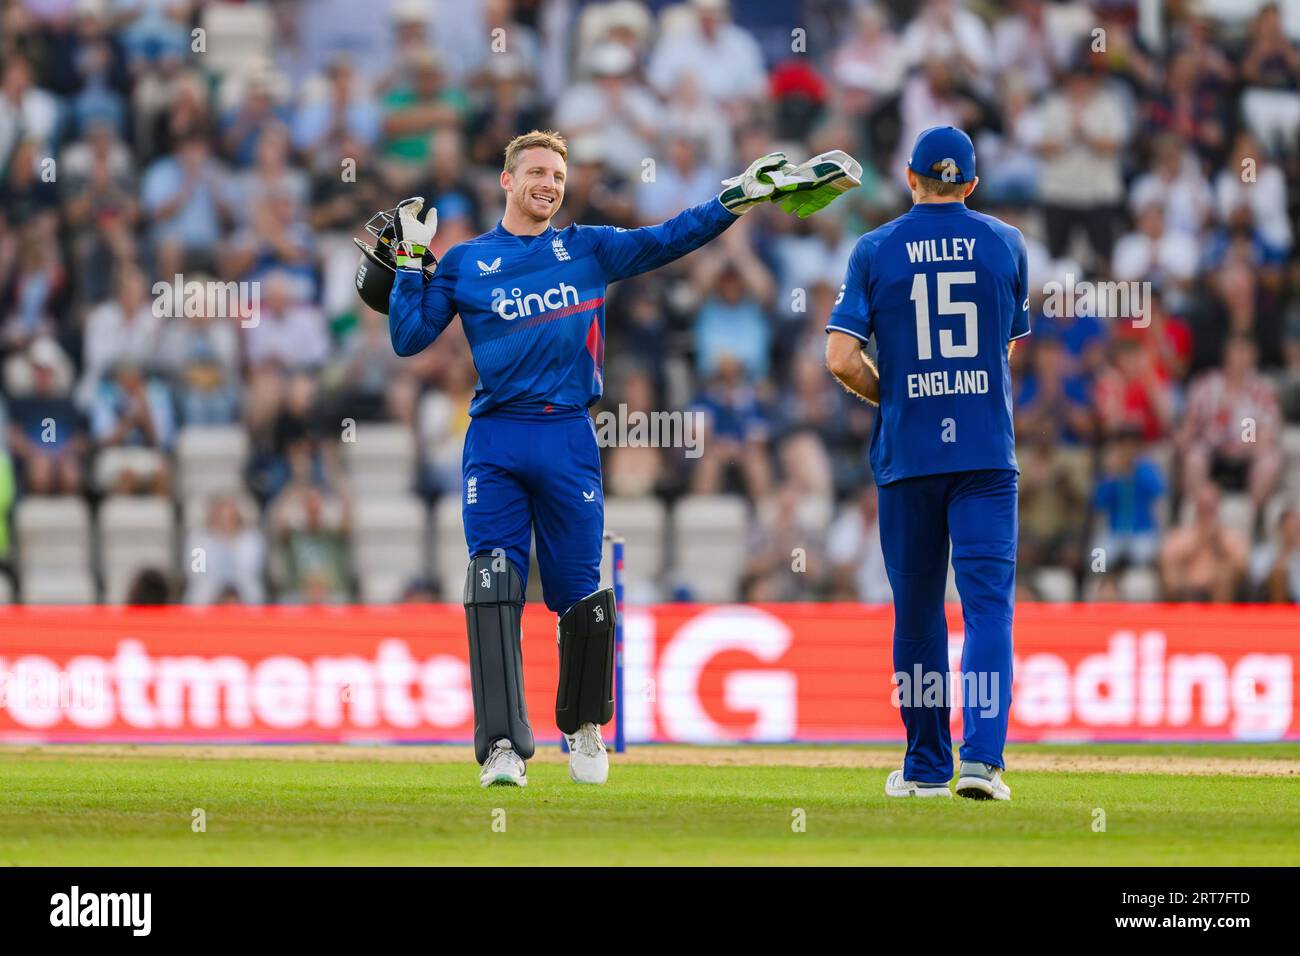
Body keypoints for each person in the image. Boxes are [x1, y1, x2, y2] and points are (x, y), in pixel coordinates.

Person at [384, 130, 854, 788]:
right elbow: (408, 337)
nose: (549, 183)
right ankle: (502, 748)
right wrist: (410, 256)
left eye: (558, 173)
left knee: (580, 593)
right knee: (493, 581)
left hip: (569, 437)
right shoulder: (464, 262)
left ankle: (581, 727)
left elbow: (671, 237)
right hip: (494, 438)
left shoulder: (586, 248)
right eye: (537, 172)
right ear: (507, 181)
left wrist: (739, 197)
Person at [824, 126, 1027, 801]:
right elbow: (1004, 347)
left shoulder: (875, 248)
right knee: (988, 607)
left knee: (917, 613)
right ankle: (982, 762)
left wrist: (901, 394)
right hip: (983, 453)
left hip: (910, 454)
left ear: (910, 178)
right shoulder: (1005, 243)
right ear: (970, 183)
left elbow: (839, 358)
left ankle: (926, 767)